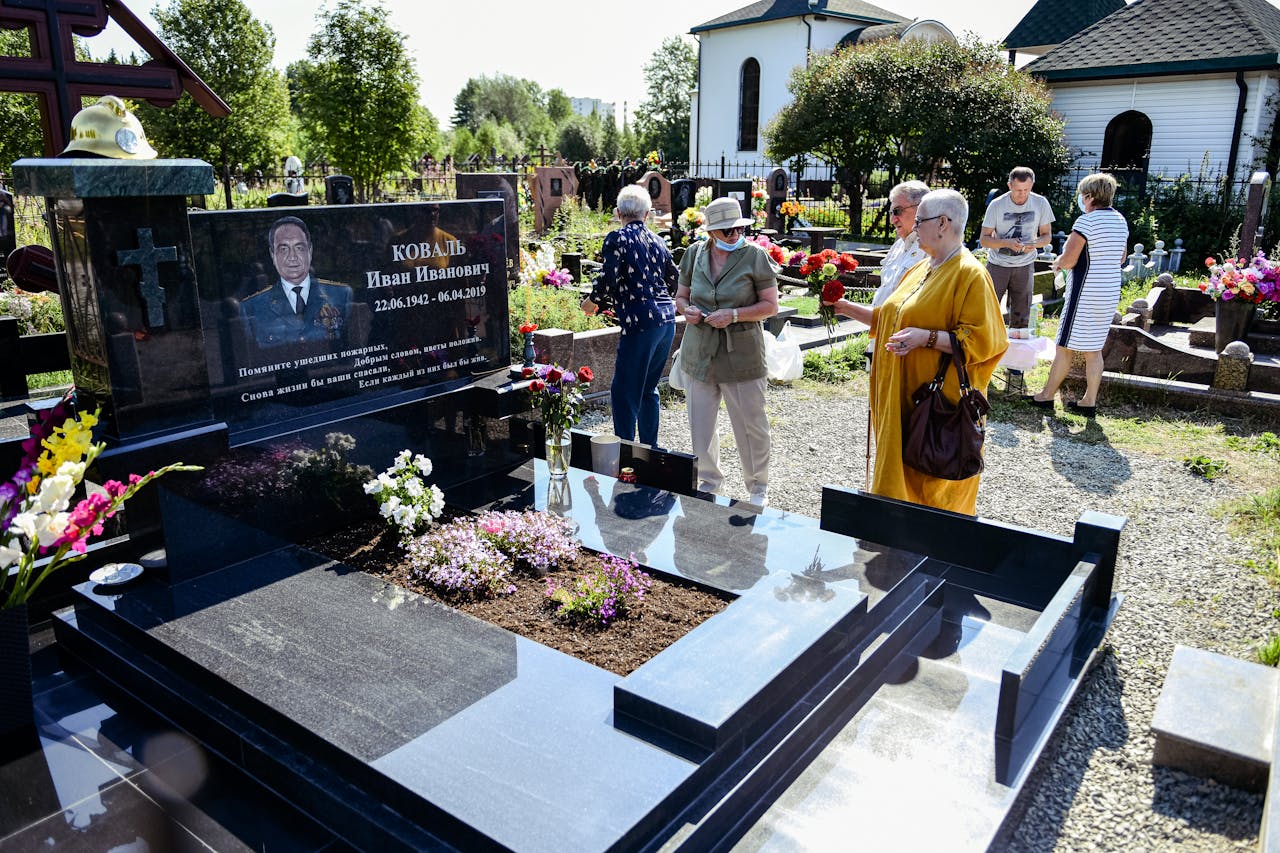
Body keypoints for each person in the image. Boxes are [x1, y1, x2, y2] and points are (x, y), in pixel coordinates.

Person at [823, 189, 1007, 514]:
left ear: (943, 224)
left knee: (931, 485)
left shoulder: (970, 274)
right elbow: (891, 318)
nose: (914, 227)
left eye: (919, 220)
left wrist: (928, 338)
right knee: (899, 479)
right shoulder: (921, 268)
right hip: (901, 399)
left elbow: (985, 341)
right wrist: (846, 308)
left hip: (937, 408)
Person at [674, 197, 779, 506]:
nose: (734, 235)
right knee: (701, 425)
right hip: (700, 351)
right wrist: (687, 310)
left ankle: (758, 487)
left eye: (737, 229)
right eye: (726, 231)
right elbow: (680, 296)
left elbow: (770, 306)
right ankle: (708, 480)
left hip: (742, 353)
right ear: (711, 232)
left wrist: (734, 314)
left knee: (750, 425)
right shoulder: (694, 254)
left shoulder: (755, 256)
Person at [581, 184, 678, 446]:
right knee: (648, 389)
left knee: (623, 392)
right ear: (647, 214)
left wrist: (593, 302)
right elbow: (673, 280)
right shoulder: (659, 241)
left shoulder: (617, 238)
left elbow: (608, 276)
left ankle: (624, 454)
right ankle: (650, 450)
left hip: (640, 323)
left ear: (617, 213)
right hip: (666, 321)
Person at [1027, 173, 1128, 417]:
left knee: (1064, 346)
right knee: (1093, 350)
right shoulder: (1120, 220)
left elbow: (1071, 259)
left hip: (1086, 290)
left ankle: (1046, 396)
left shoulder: (1086, 222)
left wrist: (1059, 263)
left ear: (1090, 196)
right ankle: (1089, 401)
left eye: (1083, 195)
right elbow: (1122, 257)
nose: (1081, 199)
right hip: (1110, 289)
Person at [240, 216, 352, 350]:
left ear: (310, 251)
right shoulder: (252, 307)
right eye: (283, 249)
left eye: (299, 248)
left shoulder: (341, 295)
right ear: (272, 255)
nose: (292, 257)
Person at [979, 166, 1055, 328]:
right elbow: (984, 240)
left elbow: (1047, 236)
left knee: (1022, 317)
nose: (1022, 194)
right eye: (1018, 190)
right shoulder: (996, 205)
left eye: (1026, 190)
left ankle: (1017, 348)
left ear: (1032, 186)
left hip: (1025, 265)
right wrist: (1007, 243)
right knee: (986, 313)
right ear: (1009, 186)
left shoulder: (1040, 203)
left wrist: (1034, 244)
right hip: (997, 265)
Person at [871, 180, 930, 308]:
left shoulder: (932, 249)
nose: (893, 220)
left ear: (920, 208)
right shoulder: (897, 246)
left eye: (897, 211)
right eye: (891, 212)